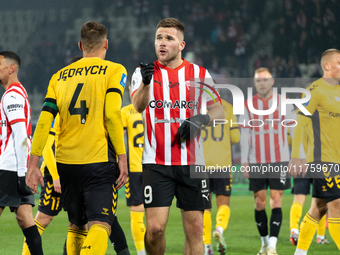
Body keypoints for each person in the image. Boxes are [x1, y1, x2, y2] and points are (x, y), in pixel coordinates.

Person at [26, 21, 128, 255]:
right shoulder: (115, 70)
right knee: (101, 224)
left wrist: (34, 163)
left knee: (77, 226)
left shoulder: (59, 77)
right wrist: (122, 156)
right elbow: (112, 114)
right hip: (99, 161)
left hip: (66, 165)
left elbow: (43, 121)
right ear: (106, 44)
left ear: (80, 45)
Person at [131, 18, 224, 255]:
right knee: (154, 229)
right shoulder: (144, 72)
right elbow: (138, 106)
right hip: (156, 163)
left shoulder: (199, 73)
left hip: (192, 163)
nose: (162, 43)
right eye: (158, 38)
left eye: (169, 38)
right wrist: (145, 82)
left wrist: (200, 119)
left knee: (195, 228)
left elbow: (218, 110)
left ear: (181, 44)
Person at [240, 67, 304, 255]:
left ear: (272, 81)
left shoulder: (283, 103)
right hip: (256, 161)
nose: (262, 83)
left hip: (280, 160)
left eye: (265, 80)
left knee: (276, 200)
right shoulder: (247, 104)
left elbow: (294, 130)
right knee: (259, 203)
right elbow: (245, 133)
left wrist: (297, 156)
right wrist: (244, 161)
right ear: (255, 83)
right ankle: (265, 243)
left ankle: (273, 247)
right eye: (258, 80)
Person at [289, 48, 340, 254]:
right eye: (338, 62)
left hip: (336, 160)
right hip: (321, 160)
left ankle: (299, 252)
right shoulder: (314, 90)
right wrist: (295, 157)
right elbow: (299, 124)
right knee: (337, 206)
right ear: (327, 66)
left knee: (318, 208)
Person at [0, 51, 44, 255]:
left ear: (11, 68)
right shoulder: (17, 92)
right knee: (25, 218)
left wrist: (20, 174)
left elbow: (20, 136)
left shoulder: (12, 96)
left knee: (25, 217)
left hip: (9, 168)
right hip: (17, 167)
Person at [202, 98, 240, 255]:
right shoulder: (228, 107)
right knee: (223, 203)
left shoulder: (194, 106)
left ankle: (207, 247)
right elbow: (236, 138)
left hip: (200, 164)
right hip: (222, 163)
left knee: (205, 208)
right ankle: (219, 228)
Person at [288, 123, 329, 246]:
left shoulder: (295, 116)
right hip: (318, 162)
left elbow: (290, 140)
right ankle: (320, 236)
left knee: (299, 198)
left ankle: (294, 230)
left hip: (301, 161)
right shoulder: (321, 114)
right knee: (321, 200)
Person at [121, 84, 146, 255]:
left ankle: (141, 252)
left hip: (135, 168)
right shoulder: (154, 108)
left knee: (137, 212)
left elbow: (119, 139)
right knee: (155, 215)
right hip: (155, 168)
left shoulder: (126, 111)